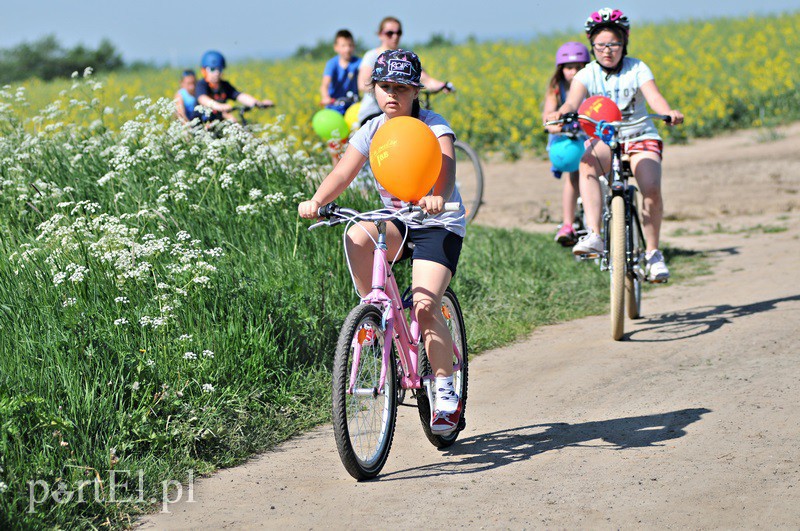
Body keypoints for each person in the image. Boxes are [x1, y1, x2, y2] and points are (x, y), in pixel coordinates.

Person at [298, 50, 466, 434]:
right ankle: (373, 313)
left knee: (425, 307)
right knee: (357, 232)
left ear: (415, 92)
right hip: (399, 223)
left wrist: (438, 193)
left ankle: (444, 391)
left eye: (401, 88)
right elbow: (343, 172)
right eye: (385, 86)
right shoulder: (372, 129)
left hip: (437, 222)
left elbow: (446, 167)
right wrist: (318, 201)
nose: (392, 95)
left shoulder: (433, 125)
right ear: (374, 89)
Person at [544, 7, 684, 281]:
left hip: (640, 136)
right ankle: (594, 234)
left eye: (614, 44)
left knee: (651, 188)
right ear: (592, 46)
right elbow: (573, 101)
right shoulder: (587, 74)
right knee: (586, 165)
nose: (607, 50)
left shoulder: (638, 68)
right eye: (600, 45)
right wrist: (562, 111)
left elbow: (654, 97)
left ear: (624, 43)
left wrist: (669, 112)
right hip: (606, 137)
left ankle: (653, 254)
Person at [356, 17, 449, 126]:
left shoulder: (406, 59)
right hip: (374, 112)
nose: (395, 36)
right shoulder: (372, 56)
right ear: (380, 34)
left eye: (398, 33)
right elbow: (362, 84)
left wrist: (442, 85)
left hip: (401, 111)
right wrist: (384, 91)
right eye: (390, 33)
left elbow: (424, 79)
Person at [542, 42, 590, 246]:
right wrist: (554, 125)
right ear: (561, 69)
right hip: (568, 139)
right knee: (574, 177)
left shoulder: (592, 84)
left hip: (590, 136)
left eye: (579, 67)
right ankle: (568, 224)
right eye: (569, 68)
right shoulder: (556, 89)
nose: (574, 72)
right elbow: (548, 116)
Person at [195, 50, 274, 122]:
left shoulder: (224, 85)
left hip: (220, 122)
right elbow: (202, 98)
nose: (216, 73)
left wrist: (257, 103)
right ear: (204, 71)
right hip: (204, 123)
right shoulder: (201, 84)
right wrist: (218, 106)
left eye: (220, 69)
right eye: (212, 69)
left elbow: (239, 96)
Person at [320, 29, 361, 114]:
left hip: (352, 105)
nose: (347, 49)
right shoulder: (332, 64)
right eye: (343, 46)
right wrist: (326, 97)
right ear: (336, 47)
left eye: (350, 45)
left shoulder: (359, 62)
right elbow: (325, 85)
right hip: (334, 105)